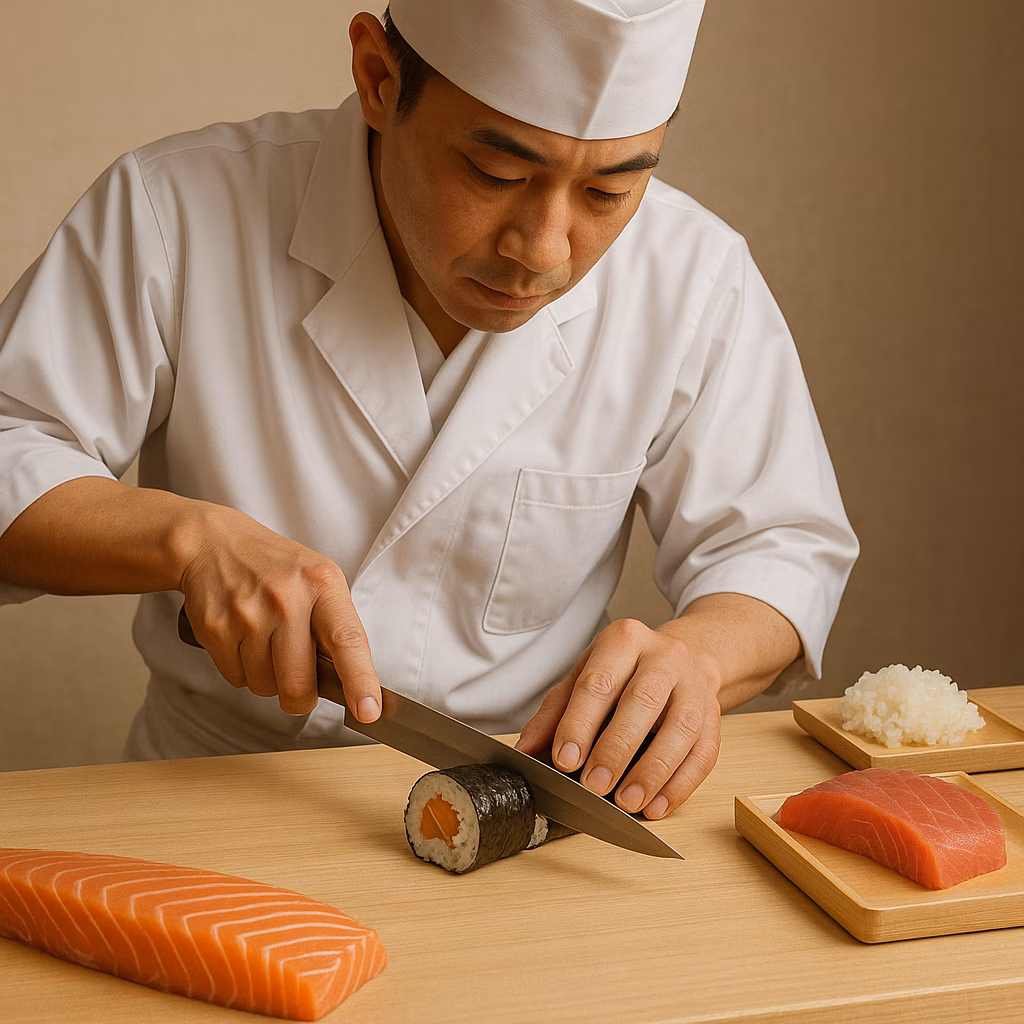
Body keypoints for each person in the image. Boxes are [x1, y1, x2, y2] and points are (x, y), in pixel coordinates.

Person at [0, 0, 857, 820]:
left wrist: (701, 660)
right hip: (209, 794)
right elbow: (13, 440)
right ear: (378, 77)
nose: (544, 252)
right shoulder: (174, 210)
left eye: (608, 193)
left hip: (523, 802)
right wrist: (186, 539)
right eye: (496, 173)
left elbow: (781, 545)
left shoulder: (693, 275)